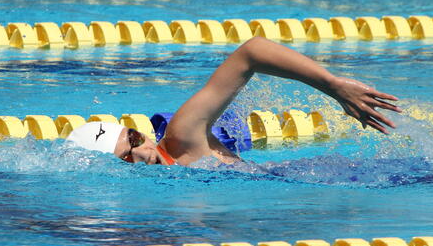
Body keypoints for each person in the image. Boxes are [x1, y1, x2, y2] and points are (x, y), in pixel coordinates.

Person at [67, 36, 401, 166]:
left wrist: (333, 85)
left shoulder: (181, 140)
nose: (141, 151)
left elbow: (251, 52)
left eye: (134, 138)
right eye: (126, 157)